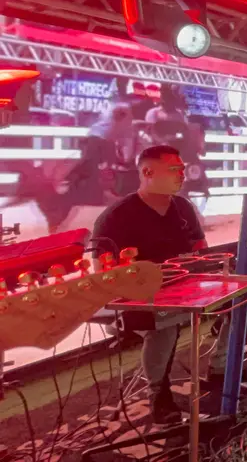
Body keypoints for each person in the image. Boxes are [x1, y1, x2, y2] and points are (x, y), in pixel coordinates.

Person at [92, 145, 212, 424]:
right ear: (147, 172)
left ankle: (219, 372)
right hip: (135, 299)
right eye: (174, 169)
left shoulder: (183, 207)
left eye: (182, 169)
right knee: (166, 323)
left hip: (185, 289)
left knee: (245, 299)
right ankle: (159, 395)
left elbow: (202, 251)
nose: (182, 175)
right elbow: (103, 274)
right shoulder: (115, 216)